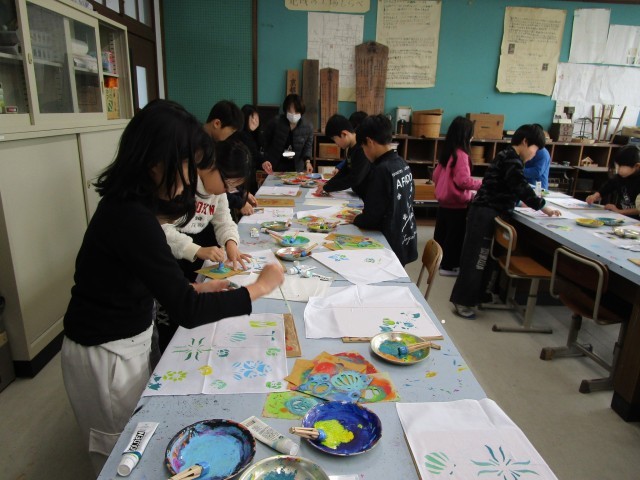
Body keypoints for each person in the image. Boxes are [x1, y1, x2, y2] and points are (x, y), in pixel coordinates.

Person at [60, 99, 284, 474]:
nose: (188, 179)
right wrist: (258, 288)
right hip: (105, 351)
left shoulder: (133, 208)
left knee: (133, 434)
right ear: (155, 162)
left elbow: (145, 279)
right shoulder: (132, 218)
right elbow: (186, 312)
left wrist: (192, 289)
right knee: (118, 454)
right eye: (186, 166)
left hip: (124, 336)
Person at [449, 124, 561, 319]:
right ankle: (462, 301)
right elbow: (521, 187)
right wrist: (544, 207)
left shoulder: (508, 156)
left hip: (489, 212)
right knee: (476, 259)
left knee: (486, 259)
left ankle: (479, 295)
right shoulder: (511, 159)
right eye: (535, 149)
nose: (534, 154)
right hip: (484, 213)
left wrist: (521, 202)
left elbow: (508, 187)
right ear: (525, 142)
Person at [342, 114, 418, 266]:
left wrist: (357, 219)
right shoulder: (402, 163)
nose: (364, 152)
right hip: (406, 237)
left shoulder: (381, 170)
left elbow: (373, 217)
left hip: (388, 245)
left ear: (369, 142)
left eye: (363, 147)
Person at [432, 116, 482, 276]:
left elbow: (435, 175)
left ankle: (438, 262)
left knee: (442, 234)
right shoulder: (462, 155)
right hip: (457, 204)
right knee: (455, 237)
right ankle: (449, 266)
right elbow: (463, 181)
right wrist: (482, 184)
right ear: (466, 135)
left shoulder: (447, 153)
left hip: (443, 202)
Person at [314, 113, 370, 199]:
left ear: (344, 134)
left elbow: (354, 178)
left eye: (334, 139)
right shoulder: (351, 147)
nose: (336, 144)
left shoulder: (362, 149)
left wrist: (327, 187)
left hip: (366, 196)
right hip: (357, 194)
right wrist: (328, 184)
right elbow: (344, 171)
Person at [227, 104, 264, 219]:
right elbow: (225, 188)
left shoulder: (255, 135)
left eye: (256, 118)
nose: (255, 121)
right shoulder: (238, 138)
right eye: (252, 118)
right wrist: (240, 201)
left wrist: (243, 193)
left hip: (243, 184)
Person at [262, 94, 314, 174]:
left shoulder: (308, 126)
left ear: (301, 111)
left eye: (296, 112)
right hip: (276, 165)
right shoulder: (275, 122)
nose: (293, 114)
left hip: (296, 167)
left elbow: (308, 146)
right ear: (285, 110)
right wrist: (265, 159)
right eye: (290, 111)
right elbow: (265, 142)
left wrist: (308, 162)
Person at [585, 144, 640, 219]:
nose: (617, 170)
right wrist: (595, 196)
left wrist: (619, 211)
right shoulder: (621, 177)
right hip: (622, 218)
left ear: (637, 166)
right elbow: (608, 186)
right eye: (617, 166)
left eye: (621, 166)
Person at [331, 111, 368, 175]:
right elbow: (349, 161)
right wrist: (339, 168)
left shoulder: (362, 148)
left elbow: (356, 176)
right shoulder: (352, 146)